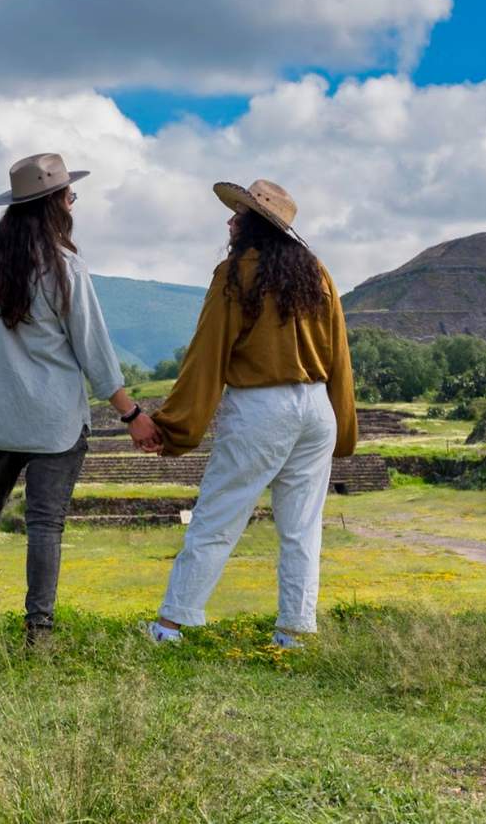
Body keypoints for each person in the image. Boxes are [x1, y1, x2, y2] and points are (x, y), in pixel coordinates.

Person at [0, 153, 162, 643]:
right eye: (70, 196)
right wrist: (132, 415)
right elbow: (94, 351)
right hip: (54, 423)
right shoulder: (64, 267)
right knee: (44, 525)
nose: (72, 204)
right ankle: (38, 630)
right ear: (56, 203)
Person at [143, 179, 357, 648]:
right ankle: (294, 632)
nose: (230, 221)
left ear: (254, 225)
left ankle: (171, 626)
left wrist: (175, 426)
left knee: (216, 518)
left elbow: (207, 354)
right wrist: (343, 427)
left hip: (262, 407)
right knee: (302, 529)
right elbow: (340, 354)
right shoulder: (316, 273)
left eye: (238, 215)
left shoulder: (235, 273)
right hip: (316, 409)